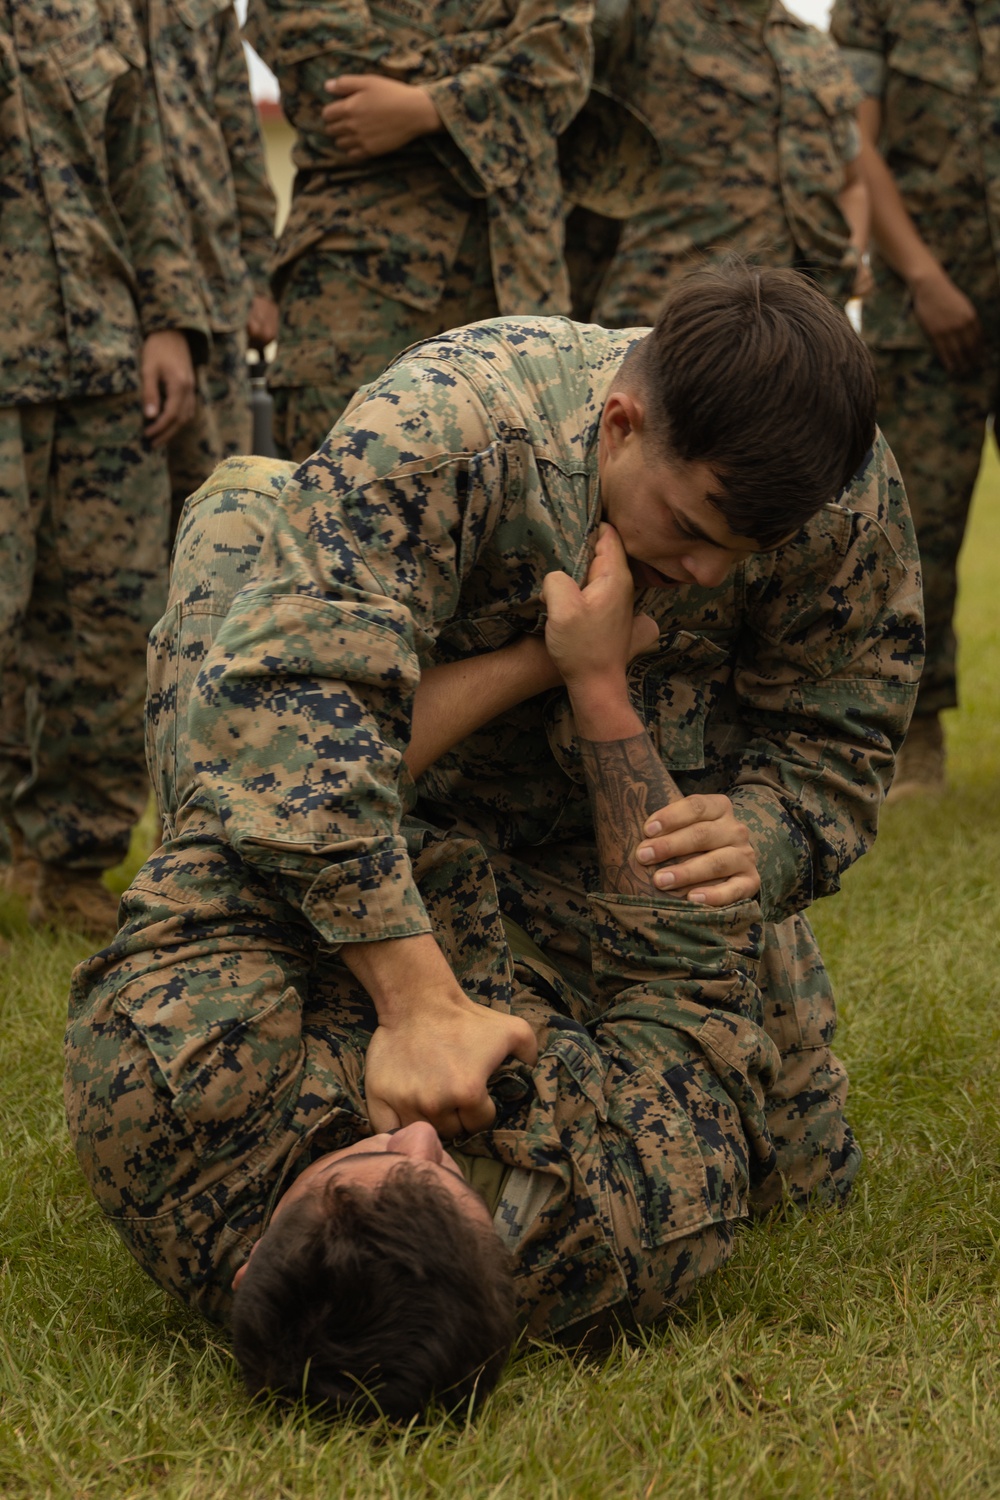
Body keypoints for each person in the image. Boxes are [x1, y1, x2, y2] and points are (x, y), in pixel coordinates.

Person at [67, 502, 781, 1419]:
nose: (418, 1128)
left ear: (251, 1266)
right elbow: (687, 980)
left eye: (361, 1159)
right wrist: (592, 680)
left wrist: (415, 1004)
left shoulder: (167, 1093)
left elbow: (256, 793)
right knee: (808, 1148)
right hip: (521, 884)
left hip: (302, 840)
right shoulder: (633, 1226)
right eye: (450, 1172)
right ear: (514, 1289)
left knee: (246, 508)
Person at [0, 0, 208, 938]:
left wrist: (168, 319)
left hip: (100, 354)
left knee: (109, 622)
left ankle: (74, 860)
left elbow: (141, 164)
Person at [242, 0, 592, 460]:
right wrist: (501, 62)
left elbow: (563, 59)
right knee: (342, 516)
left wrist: (426, 106)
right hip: (361, 297)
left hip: (523, 294)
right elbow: (331, 72)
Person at [830, 0, 998, 798]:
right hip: (925, 309)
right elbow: (856, 138)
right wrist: (925, 277)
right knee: (916, 526)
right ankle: (917, 736)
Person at [561, 0, 871, 325]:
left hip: (799, 325)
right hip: (669, 316)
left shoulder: (813, 47)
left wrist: (851, 255)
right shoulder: (648, 15)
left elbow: (853, 183)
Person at [138, 0, 278, 534]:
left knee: (221, 523)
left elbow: (240, 136)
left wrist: (260, 279)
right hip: (102, 310)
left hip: (214, 302)